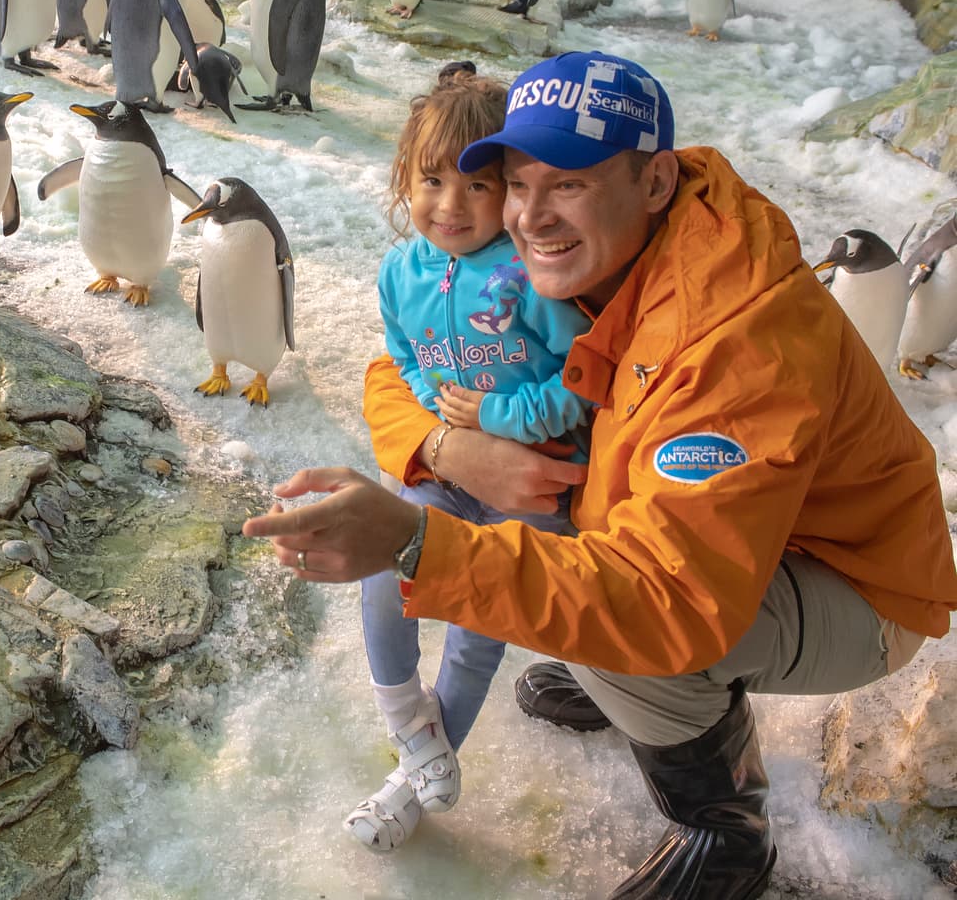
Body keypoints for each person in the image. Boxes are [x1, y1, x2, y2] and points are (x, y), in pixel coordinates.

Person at [244, 50, 957, 899]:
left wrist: (416, 543)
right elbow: (402, 367)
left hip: (852, 586)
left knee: (613, 631)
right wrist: (447, 451)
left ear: (654, 181)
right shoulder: (603, 256)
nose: (529, 216)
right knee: (573, 594)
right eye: (517, 184)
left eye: (569, 184)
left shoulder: (734, 344)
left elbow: (670, 599)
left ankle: (724, 827)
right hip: (717, 533)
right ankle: (639, 695)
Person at [343, 64, 594, 854]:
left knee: (481, 617)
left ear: (509, 192)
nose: (450, 205)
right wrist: (438, 412)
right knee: (386, 555)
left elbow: (582, 377)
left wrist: (495, 419)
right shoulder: (400, 272)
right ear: (404, 180)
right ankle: (410, 730)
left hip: (534, 482)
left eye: (476, 185)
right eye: (431, 180)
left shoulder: (532, 276)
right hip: (451, 474)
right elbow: (405, 354)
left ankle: (409, 781)